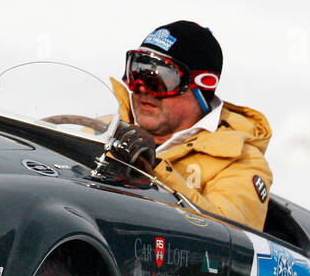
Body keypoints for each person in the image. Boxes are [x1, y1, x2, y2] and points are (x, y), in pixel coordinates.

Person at [106, 21, 274, 230]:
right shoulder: (106, 129)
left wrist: (153, 168)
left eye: (162, 78)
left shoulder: (241, 161)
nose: (143, 88)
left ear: (203, 85)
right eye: (137, 72)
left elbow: (230, 236)